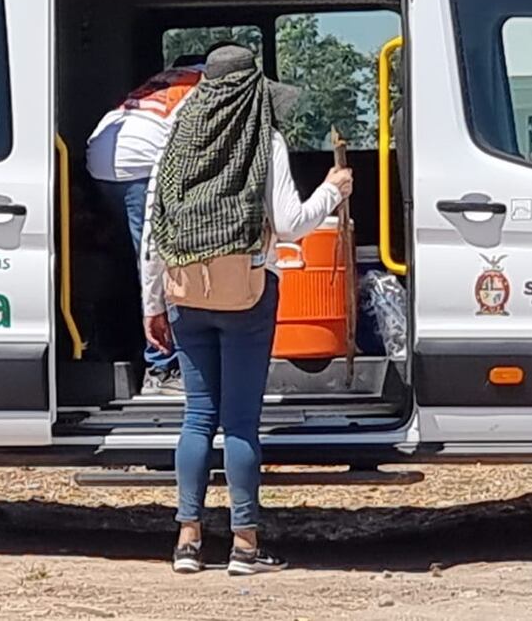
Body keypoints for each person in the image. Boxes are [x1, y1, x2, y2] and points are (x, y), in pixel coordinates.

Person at [138, 45, 353, 575]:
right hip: (248, 293)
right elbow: (290, 222)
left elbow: (152, 225)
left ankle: (187, 541)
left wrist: (153, 302)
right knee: (239, 422)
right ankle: (246, 545)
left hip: (184, 290)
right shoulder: (266, 140)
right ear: (254, 87)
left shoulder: (174, 138)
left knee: (196, 417)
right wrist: (332, 191)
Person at [85, 53, 206, 394]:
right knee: (160, 266)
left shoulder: (161, 82)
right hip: (141, 167)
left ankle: (123, 348)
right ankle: (162, 367)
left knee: (133, 265)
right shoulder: (207, 84)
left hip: (102, 164)